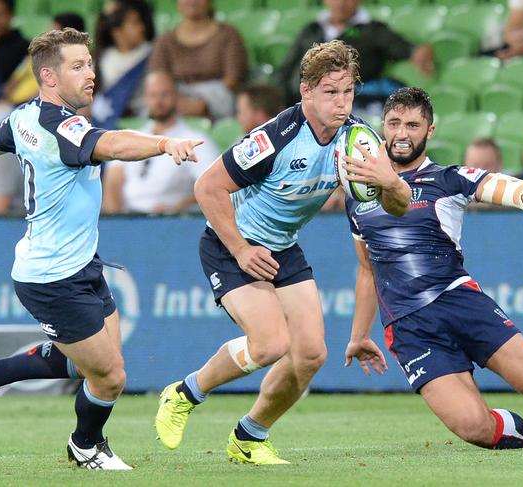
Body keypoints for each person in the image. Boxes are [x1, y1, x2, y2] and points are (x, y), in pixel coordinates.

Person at [154, 39, 411, 465]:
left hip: (282, 248)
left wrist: (390, 181)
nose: (342, 103)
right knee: (271, 343)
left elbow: (396, 207)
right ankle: (184, 393)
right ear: (305, 91)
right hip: (229, 243)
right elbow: (208, 187)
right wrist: (238, 249)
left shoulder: (356, 140)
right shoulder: (275, 138)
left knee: (311, 354)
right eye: (331, 92)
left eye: (348, 92)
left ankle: (250, 436)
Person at [0, 28, 202, 470]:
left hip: (80, 265)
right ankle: (85, 445)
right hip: (50, 279)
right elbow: (112, 144)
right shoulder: (64, 127)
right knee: (110, 376)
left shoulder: (24, 116)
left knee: (89, 362)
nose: (91, 74)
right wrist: (164, 143)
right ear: (48, 77)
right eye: (78, 66)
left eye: (90, 64)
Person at [342, 87, 523, 451]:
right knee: (475, 429)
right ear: (382, 128)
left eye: (413, 125)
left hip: (460, 303)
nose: (402, 133)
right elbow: (366, 269)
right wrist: (358, 335)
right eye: (394, 123)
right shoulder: (358, 195)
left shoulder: (448, 179)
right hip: (409, 327)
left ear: (430, 131)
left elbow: (509, 187)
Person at [277, 0, 434, 107]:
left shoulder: (372, 30)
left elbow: (402, 48)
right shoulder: (311, 30)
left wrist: (417, 51)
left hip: (353, 103)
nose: (341, 3)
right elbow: (287, 68)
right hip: (305, 102)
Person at [102, 71, 219, 214]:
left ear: (177, 96)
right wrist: (116, 223)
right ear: (145, 99)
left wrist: (178, 208)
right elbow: (113, 180)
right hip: (129, 221)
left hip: (174, 221)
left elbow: (214, 185)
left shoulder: (195, 141)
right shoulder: (133, 136)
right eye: (153, 95)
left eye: (165, 94)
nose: (159, 101)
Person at [148, 0, 248, 120]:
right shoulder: (165, 40)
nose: (192, 1)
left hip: (218, 107)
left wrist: (203, 103)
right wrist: (178, 103)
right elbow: (157, 79)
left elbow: (233, 79)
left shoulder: (228, 35)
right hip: (174, 105)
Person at [92, 0, 155, 127]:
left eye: (141, 22)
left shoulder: (153, 53)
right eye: (134, 23)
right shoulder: (103, 58)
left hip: (145, 121)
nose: (142, 27)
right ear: (117, 31)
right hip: (110, 124)